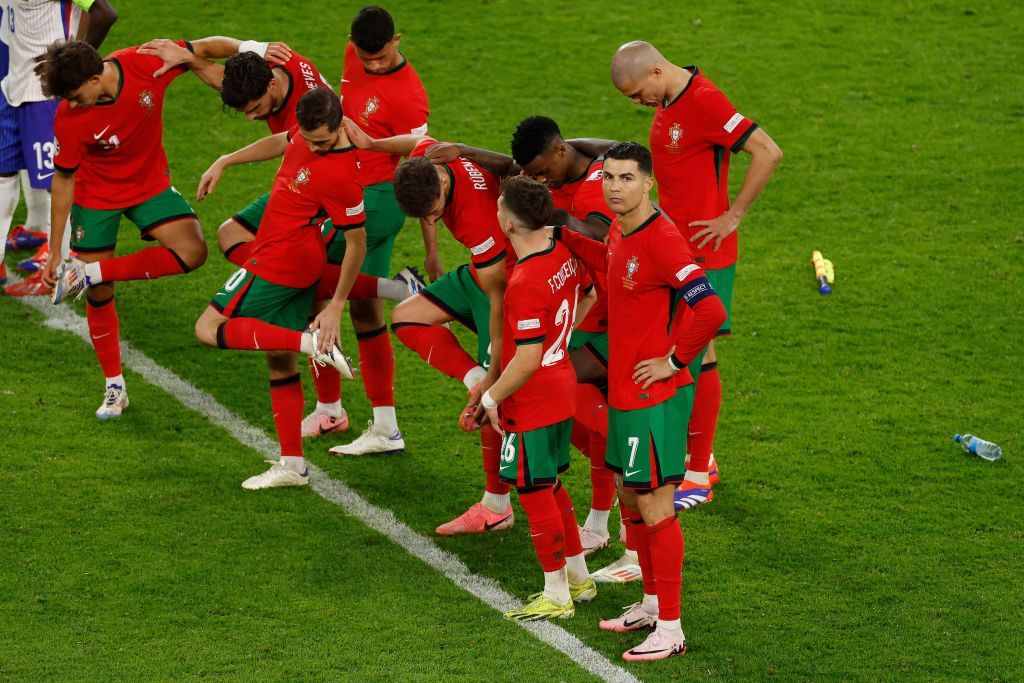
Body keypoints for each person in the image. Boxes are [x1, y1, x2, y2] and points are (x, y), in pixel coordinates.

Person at [136, 34, 422, 439]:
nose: (252, 117)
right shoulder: (273, 68)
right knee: (233, 236)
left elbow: (414, 151)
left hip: (343, 191)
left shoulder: (320, 137)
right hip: (311, 186)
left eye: (256, 109)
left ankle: (375, 424)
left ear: (271, 87)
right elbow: (241, 83)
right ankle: (369, 298)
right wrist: (193, 57)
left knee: (349, 308)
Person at [555, 142, 726, 661]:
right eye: (609, 177)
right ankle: (651, 604)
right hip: (625, 393)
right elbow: (611, 264)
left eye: (627, 179)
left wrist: (675, 362)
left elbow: (710, 309)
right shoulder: (618, 227)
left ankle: (671, 629)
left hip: (652, 398)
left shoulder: (664, 241)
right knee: (633, 500)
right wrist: (557, 233)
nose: (614, 187)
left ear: (647, 183)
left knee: (654, 504)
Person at [609, 41, 782, 508]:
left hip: (706, 251)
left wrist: (732, 217)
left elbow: (768, 151)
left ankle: (699, 469)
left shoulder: (705, 101)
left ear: (655, 71)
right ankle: (697, 457)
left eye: (635, 93)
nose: (636, 103)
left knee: (696, 355)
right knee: (686, 353)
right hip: (676, 246)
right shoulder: (669, 99)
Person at [343, 123, 514, 535]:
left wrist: (492, 373)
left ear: (440, 181)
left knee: (499, 395)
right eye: (425, 217)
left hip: (509, 283)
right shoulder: (433, 158)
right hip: (481, 273)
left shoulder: (477, 220)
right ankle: (474, 378)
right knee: (407, 317)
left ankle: (498, 506)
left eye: (435, 208)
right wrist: (372, 143)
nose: (433, 217)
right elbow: (413, 142)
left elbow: (499, 293)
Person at [193, 88, 365, 490]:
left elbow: (357, 242)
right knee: (277, 356)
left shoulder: (342, 174)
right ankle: (293, 465)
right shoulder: (305, 135)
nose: (316, 147)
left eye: (323, 141)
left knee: (208, 328)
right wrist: (226, 159)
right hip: (289, 256)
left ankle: (310, 343)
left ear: (340, 125)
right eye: (310, 140)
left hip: (281, 260)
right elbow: (281, 141)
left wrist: (337, 304)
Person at [40, 39, 206, 419]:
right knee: (99, 296)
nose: (73, 102)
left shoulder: (145, 63)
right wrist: (55, 249)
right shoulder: (69, 116)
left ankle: (89, 272)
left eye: (77, 94)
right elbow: (63, 181)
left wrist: (250, 47)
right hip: (97, 196)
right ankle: (115, 386)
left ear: (96, 77)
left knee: (193, 252)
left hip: (150, 186)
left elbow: (206, 45)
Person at [477, 175, 596, 622]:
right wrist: (559, 344)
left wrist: (491, 398)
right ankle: (579, 579)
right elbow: (588, 294)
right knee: (549, 483)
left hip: (534, 396)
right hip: (561, 381)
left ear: (508, 223)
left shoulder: (525, 280)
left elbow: (525, 360)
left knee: (532, 488)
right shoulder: (563, 252)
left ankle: (556, 593)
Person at [328, 5, 431, 455]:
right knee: (362, 311)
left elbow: (422, 153)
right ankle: (383, 427)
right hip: (347, 189)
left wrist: (430, 245)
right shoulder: (355, 54)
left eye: (380, 57)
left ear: (398, 39)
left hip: (377, 198)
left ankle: (403, 289)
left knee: (317, 283)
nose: (371, 65)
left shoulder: (408, 92)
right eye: (365, 57)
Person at [2, 0, 117, 296]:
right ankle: (35, 235)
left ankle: (60, 269)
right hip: (14, 84)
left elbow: (104, 13)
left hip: (44, 93)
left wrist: (67, 66)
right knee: (12, 172)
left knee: (60, 177)